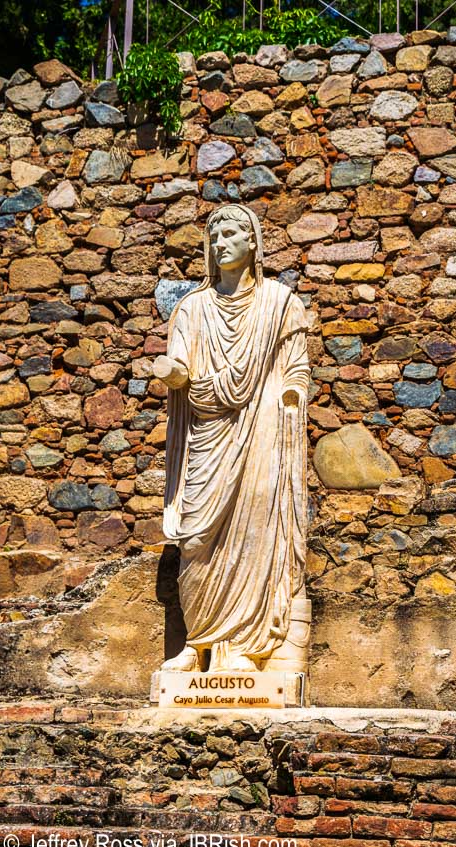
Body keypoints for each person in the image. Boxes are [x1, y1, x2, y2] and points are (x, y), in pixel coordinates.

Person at [152, 203, 310, 674]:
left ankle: (243, 645)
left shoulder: (280, 303)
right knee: (195, 537)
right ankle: (198, 643)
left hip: (261, 428)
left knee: (256, 532)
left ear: (252, 242)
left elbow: (296, 367)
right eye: (214, 237)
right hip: (207, 431)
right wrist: (173, 373)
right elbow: (182, 366)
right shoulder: (192, 308)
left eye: (230, 234)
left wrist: (291, 396)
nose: (220, 244)